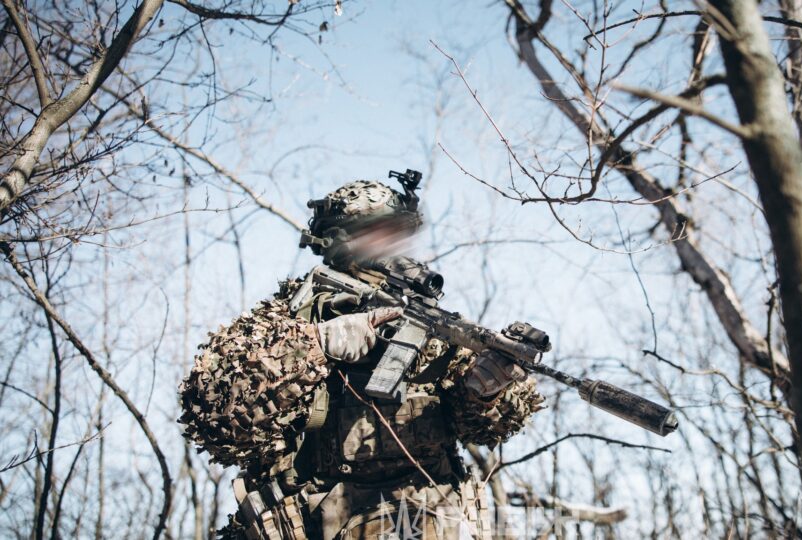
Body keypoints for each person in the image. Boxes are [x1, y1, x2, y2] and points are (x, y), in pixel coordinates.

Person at [179, 171, 544, 539]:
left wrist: (486, 391)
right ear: (340, 239)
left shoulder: (429, 329)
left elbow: (488, 427)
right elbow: (212, 413)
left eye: (397, 233)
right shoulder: (288, 317)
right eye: (376, 232)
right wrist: (315, 343)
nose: (391, 245)